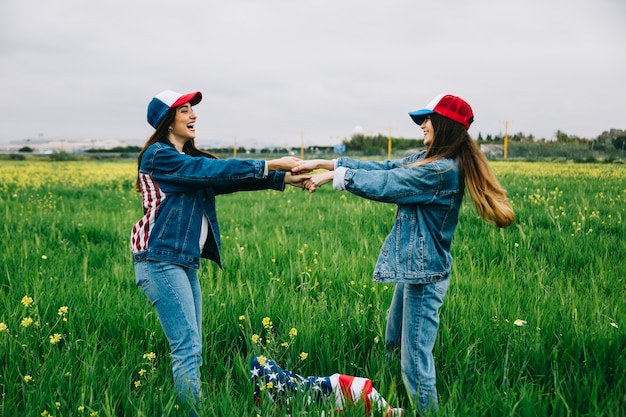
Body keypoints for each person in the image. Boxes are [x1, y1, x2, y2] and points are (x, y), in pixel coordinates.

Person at [293, 94, 515, 414]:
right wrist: (325, 163)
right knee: (393, 342)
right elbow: (385, 167)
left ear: (445, 126)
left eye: (428, 120)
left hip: (425, 275)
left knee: (415, 363)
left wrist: (334, 177)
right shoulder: (427, 160)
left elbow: (390, 184)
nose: (423, 125)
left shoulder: (440, 170)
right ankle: (388, 395)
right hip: (413, 268)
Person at [130, 89, 307, 415]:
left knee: (192, 348)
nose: (192, 115)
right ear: (168, 121)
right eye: (184, 111)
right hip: (159, 260)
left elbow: (225, 179)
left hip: (180, 262)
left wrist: (282, 178)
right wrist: (269, 163)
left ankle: (191, 408)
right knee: (187, 349)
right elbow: (213, 172)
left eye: (191, 110)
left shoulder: (186, 161)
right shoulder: (159, 156)